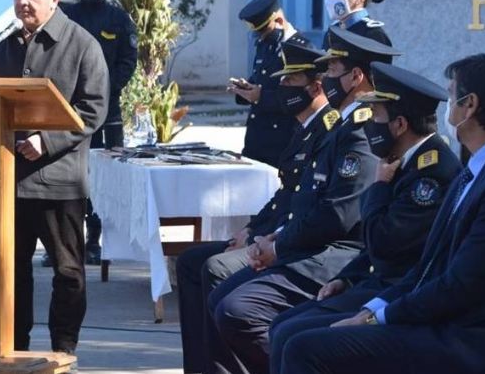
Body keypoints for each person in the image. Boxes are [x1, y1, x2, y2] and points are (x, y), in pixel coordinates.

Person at [278, 54, 485, 374]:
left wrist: (380, 318)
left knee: (305, 349)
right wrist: (374, 308)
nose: (448, 106)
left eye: (453, 94)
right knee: (293, 334)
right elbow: (430, 264)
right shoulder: (484, 166)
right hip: (455, 323)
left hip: (484, 340)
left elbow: (465, 282)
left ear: (470, 105)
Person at [208, 27, 399, 374]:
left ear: (356, 77)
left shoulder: (361, 132)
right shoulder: (341, 126)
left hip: (336, 257)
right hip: (308, 245)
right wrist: (273, 237)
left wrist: (278, 246)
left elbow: (337, 215)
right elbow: (302, 198)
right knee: (224, 298)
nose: (325, 77)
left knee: (239, 310)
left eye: (332, 69)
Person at [267, 62, 462, 373]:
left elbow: (383, 242)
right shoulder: (402, 160)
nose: (369, 124)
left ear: (400, 124)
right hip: (373, 281)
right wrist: (345, 278)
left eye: (376, 116)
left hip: (399, 291)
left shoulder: (431, 175)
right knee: (283, 326)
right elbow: (374, 249)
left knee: (294, 338)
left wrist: (380, 187)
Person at [177, 41, 335, 373]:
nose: (283, 87)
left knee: (216, 269)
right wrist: (250, 229)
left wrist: (263, 240)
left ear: (316, 87)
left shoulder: (327, 131)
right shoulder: (303, 128)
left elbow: (311, 208)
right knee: (190, 261)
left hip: (298, 246)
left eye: (291, 81)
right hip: (272, 232)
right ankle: (201, 366)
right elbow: (283, 195)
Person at [0, 0, 109, 354]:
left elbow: (93, 109)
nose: (22, 1)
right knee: (11, 271)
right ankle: (14, 348)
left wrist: (47, 141)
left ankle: (63, 350)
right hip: (9, 179)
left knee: (68, 272)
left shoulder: (82, 44)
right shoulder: (0, 47)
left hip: (59, 181)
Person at [55, 0, 138, 266]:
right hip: (69, 108)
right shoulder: (66, 14)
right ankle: (63, 244)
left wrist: (103, 88)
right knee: (67, 177)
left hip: (107, 110)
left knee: (103, 179)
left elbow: (128, 60)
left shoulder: (118, 18)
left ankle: (94, 241)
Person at [228, 0, 313, 169]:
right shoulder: (266, 45)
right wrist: (245, 89)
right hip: (256, 141)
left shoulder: (300, 49)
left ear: (279, 21)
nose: (261, 37)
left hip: (282, 143)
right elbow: (260, 81)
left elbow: (301, 98)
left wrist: (261, 96)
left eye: (264, 31)